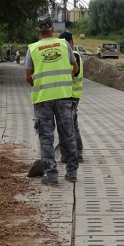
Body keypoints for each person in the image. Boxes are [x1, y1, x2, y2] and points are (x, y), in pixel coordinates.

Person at [24, 17, 79, 185]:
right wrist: (64, 82)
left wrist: (41, 86)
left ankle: (52, 176)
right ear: (52, 28)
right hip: (63, 96)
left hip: (43, 100)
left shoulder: (33, 49)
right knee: (68, 135)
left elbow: (28, 77)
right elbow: (75, 69)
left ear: (37, 30)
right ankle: (71, 173)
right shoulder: (64, 45)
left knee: (46, 138)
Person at [58, 31, 84, 163]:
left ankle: (75, 153)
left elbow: (72, 72)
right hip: (71, 95)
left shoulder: (73, 55)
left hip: (71, 96)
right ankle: (77, 152)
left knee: (69, 126)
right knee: (73, 124)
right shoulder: (72, 55)